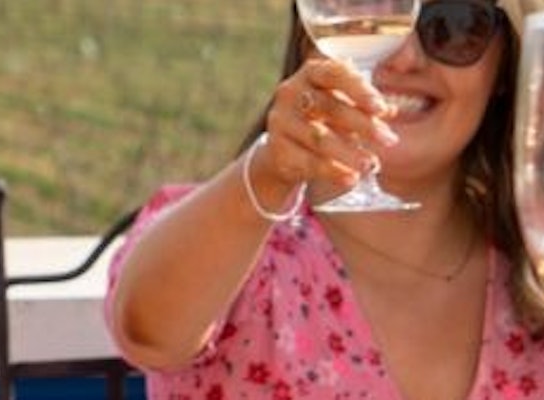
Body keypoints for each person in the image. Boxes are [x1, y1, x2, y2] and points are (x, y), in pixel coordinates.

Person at [104, 0, 544, 398]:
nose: (404, 57)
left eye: (455, 23)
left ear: (505, 65)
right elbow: (146, 331)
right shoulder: (239, 243)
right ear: (310, 34)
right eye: (371, 11)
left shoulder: (532, 260)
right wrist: (269, 171)